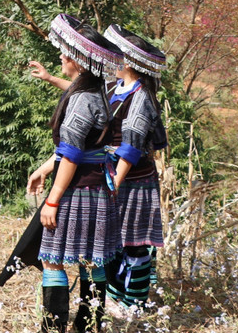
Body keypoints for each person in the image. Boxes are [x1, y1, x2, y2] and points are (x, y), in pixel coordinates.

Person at [28, 14, 124, 332]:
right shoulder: (101, 92)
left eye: (65, 51)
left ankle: (52, 328)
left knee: (52, 259)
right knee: (90, 260)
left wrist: (53, 199)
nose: (61, 55)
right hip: (99, 191)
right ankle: (88, 325)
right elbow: (80, 148)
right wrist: (45, 167)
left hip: (78, 192)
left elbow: (70, 155)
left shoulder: (83, 100)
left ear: (79, 60)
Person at [102, 24, 168, 315]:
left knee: (136, 244)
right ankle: (115, 297)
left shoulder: (141, 98)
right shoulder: (115, 87)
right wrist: (51, 78)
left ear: (127, 62)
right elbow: (86, 96)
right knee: (115, 241)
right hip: (116, 176)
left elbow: (130, 148)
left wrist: (115, 181)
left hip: (134, 180)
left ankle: (136, 305)